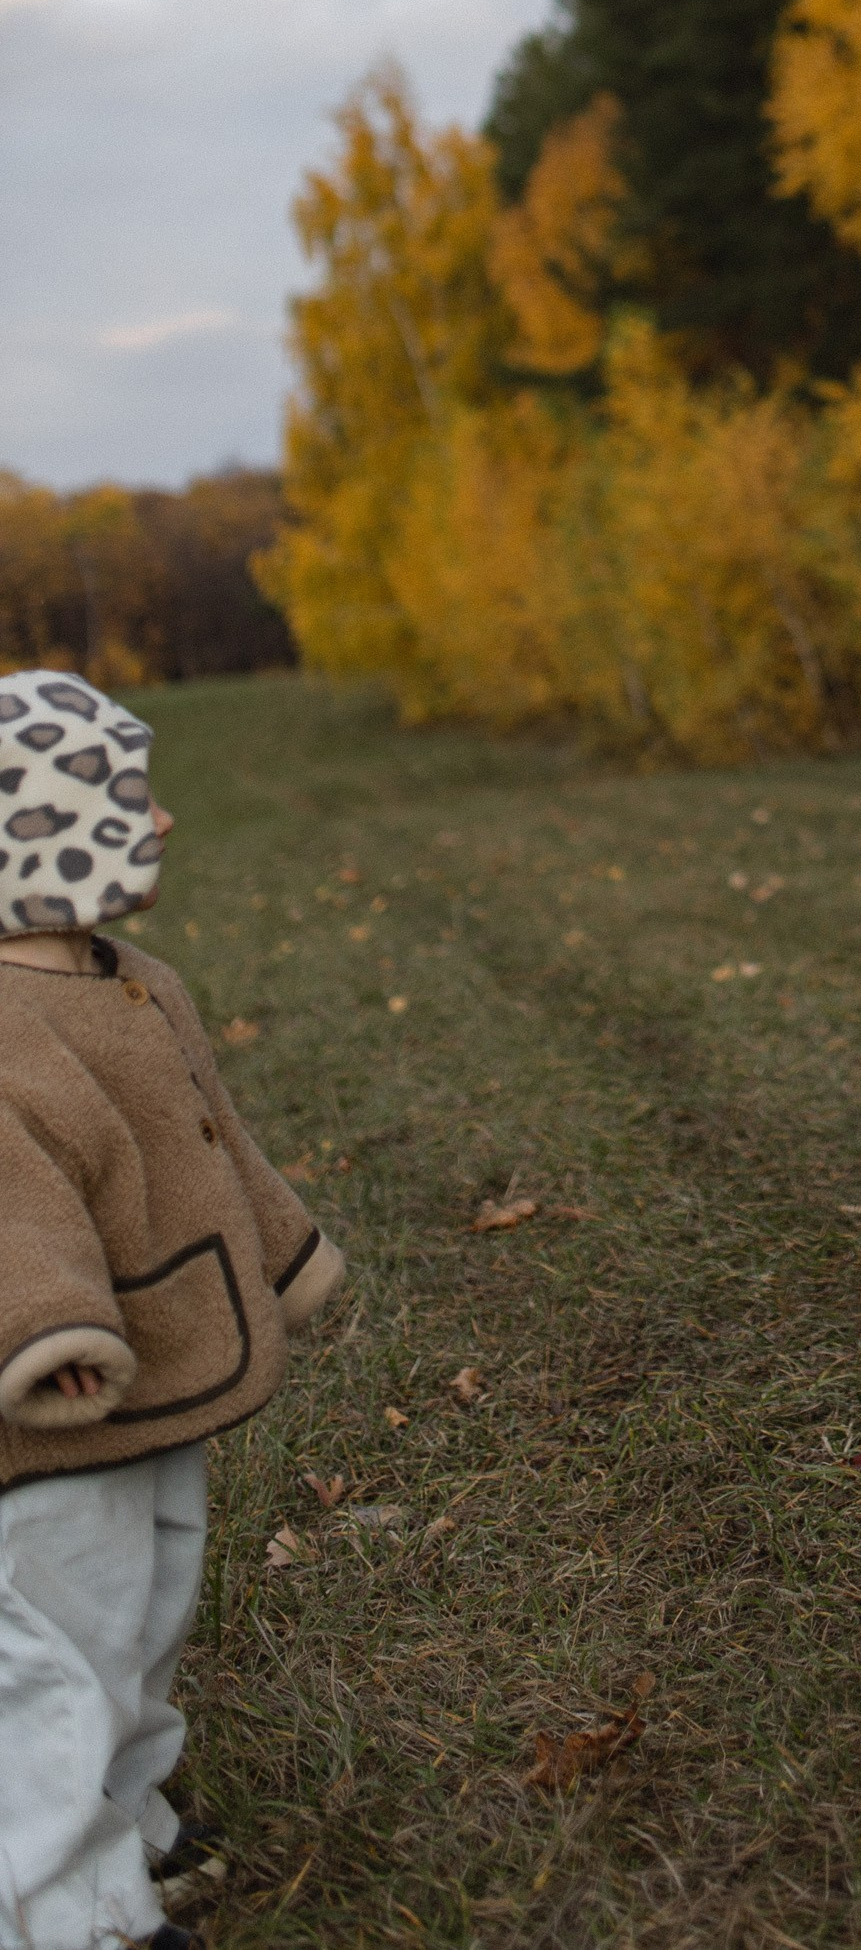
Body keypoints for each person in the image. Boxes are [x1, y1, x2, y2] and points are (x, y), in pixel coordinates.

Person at [0, 669, 344, 1948]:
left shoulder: (130, 976)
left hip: (162, 1356)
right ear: (38, 824)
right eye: (125, 797)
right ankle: (64, 1906)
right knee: (58, 1647)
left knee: (147, 1609)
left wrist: (284, 1244)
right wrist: (44, 1326)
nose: (159, 822)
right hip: (55, 1399)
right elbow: (8, 1202)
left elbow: (209, 1137)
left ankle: (131, 1811)